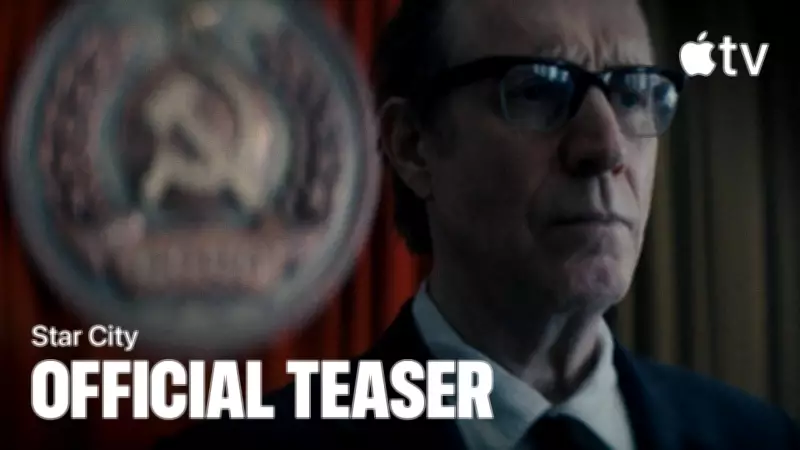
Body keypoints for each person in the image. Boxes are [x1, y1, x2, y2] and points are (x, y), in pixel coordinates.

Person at [157, 0, 800, 448]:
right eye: (538, 88)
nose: (606, 147)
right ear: (413, 147)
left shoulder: (762, 438)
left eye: (633, 93)